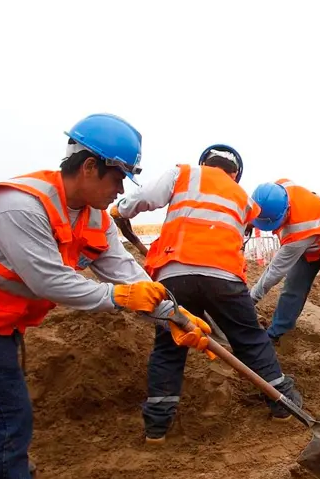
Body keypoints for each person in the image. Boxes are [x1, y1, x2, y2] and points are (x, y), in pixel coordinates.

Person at [0, 114, 214, 479]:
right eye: (118, 177)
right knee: (7, 407)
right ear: (90, 167)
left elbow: (125, 270)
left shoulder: (94, 216)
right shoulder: (18, 204)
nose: (120, 189)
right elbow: (49, 281)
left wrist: (175, 316)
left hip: (1, 315)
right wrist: (118, 298)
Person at [109, 145, 303, 438]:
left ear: (204, 162)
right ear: (235, 173)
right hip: (224, 278)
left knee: (169, 346)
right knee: (250, 339)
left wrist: (117, 209)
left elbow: (143, 199)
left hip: (175, 273)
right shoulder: (245, 200)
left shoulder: (183, 173)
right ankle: (283, 405)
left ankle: (157, 428)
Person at [249, 179, 320, 352]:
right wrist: (249, 221)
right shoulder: (278, 190)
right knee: (293, 285)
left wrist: (251, 299)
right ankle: (277, 332)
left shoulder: (299, 228)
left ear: (286, 211)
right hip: (313, 243)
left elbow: (275, 271)